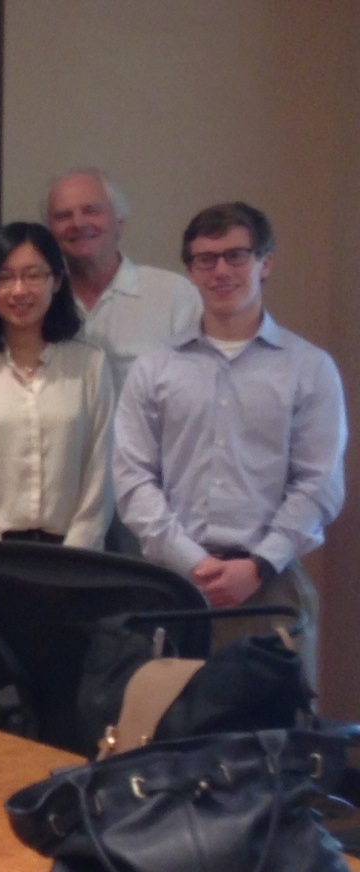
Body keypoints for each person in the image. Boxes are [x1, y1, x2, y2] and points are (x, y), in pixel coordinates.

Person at [114, 202, 345, 688]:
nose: (221, 270)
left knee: (271, 746)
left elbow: (318, 484)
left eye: (236, 256)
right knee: (170, 740)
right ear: (191, 273)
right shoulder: (154, 370)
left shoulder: (309, 368)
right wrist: (191, 562)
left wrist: (258, 564)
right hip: (174, 589)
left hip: (271, 589)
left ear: (266, 263)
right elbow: (134, 480)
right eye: (206, 259)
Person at [0, 222, 113, 548]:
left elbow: (102, 463)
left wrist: (79, 549)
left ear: (58, 281)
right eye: (4, 277)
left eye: (33, 275)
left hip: (73, 552)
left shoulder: (89, 364)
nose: (19, 290)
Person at [43, 168, 202, 390]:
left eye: (91, 211)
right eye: (63, 216)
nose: (78, 223)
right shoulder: (39, 299)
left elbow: (198, 389)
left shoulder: (174, 295)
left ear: (120, 222)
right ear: (50, 230)